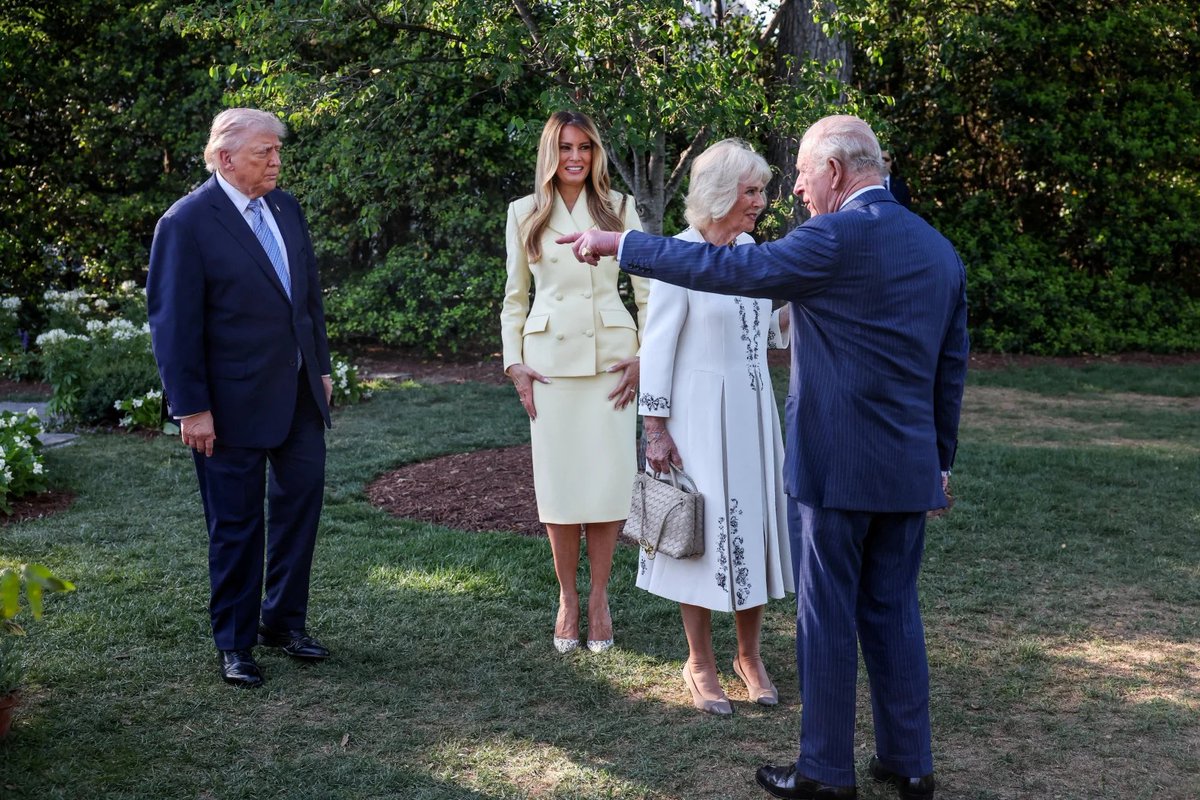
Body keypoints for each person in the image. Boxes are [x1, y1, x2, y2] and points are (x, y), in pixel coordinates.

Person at [562, 115, 968, 800]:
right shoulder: (938, 249)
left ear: (836, 172)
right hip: (909, 471)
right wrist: (941, 462)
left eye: (806, 177)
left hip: (834, 471)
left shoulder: (833, 237)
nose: (801, 193)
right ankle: (910, 764)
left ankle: (824, 774)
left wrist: (622, 244)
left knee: (828, 616)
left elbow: (725, 266)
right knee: (896, 613)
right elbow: (950, 369)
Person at [147, 108, 334, 688]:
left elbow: (307, 300)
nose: (276, 161)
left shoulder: (286, 206)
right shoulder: (186, 223)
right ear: (226, 158)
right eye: (264, 152)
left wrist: (322, 369)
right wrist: (191, 407)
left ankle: (284, 622)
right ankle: (235, 641)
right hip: (226, 407)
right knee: (235, 523)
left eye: (278, 150)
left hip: (299, 393)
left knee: (299, 508)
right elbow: (173, 325)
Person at [636, 139, 793, 716]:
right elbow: (657, 345)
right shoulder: (681, 254)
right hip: (697, 414)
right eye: (752, 191)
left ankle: (748, 655)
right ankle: (698, 661)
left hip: (753, 413)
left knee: (752, 526)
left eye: (761, 190)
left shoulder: (751, 248)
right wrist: (655, 429)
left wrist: (803, 304)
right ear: (722, 193)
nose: (760, 202)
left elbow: (764, 329)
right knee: (699, 536)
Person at [500, 110, 648, 654]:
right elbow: (515, 299)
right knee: (561, 490)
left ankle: (601, 598)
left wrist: (645, 357)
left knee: (609, 487)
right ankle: (567, 598)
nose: (576, 157)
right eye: (565, 147)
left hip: (612, 361)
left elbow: (646, 293)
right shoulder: (524, 213)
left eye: (585, 147)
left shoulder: (621, 208)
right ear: (550, 152)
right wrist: (514, 364)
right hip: (550, 367)